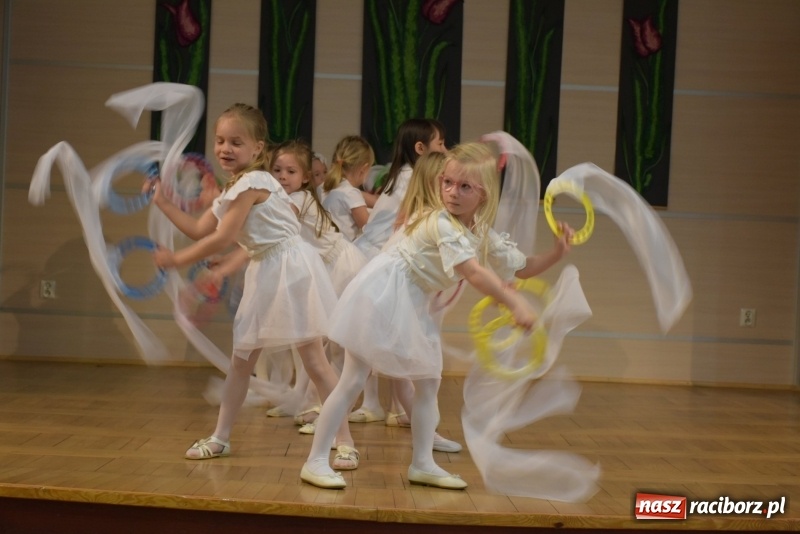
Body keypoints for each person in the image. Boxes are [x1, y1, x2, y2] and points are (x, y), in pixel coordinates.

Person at [300, 141, 573, 489]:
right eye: (448, 182)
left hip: (412, 303)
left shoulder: (478, 231)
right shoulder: (440, 222)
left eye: (465, 186)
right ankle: (315, 460)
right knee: (353, 380)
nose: (453, 192)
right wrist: (513, 302)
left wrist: (556, 253)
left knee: (429, 383)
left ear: (484, 195)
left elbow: (520, 267)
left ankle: (423, 463)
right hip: (381, 295)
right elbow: (473, 272)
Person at [150, 103, 358, 469]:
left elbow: (222, 237)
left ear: (258, 148)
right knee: (241, 361)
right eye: (220, 141)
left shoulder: (254, 182)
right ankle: (220, 437)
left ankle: (345, 442)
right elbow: (199, 229)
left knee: (314, 361)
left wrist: (177, 260)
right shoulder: (236, 187)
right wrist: (163, 203)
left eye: (236, 142)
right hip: (265, 270)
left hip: (290, 270)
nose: (225, 148)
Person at [349, 118, 447, 434]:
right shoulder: (411, 177)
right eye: (440, 143)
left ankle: (392, 408)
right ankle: (368, 407)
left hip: (378, 260)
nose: (446, 150)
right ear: (421, 148)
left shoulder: (402, 175)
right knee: (372, 343)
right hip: (378, 262)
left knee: (385, 340)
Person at [270, 139, 369, 434]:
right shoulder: (297, 197)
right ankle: (312, 403)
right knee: (316, 343)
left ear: (305, 178)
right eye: (277, 170)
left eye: (290, 172)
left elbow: (277, 220)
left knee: (330, 343)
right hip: (330, 267)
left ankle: (329, 411)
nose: (282, 177)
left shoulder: (298, 198)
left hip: (341, 267)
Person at [320, 135, 374, 241]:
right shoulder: (351, 193)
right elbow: (368, 228)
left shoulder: (331, 188)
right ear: (364, 169)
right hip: (344, 248)